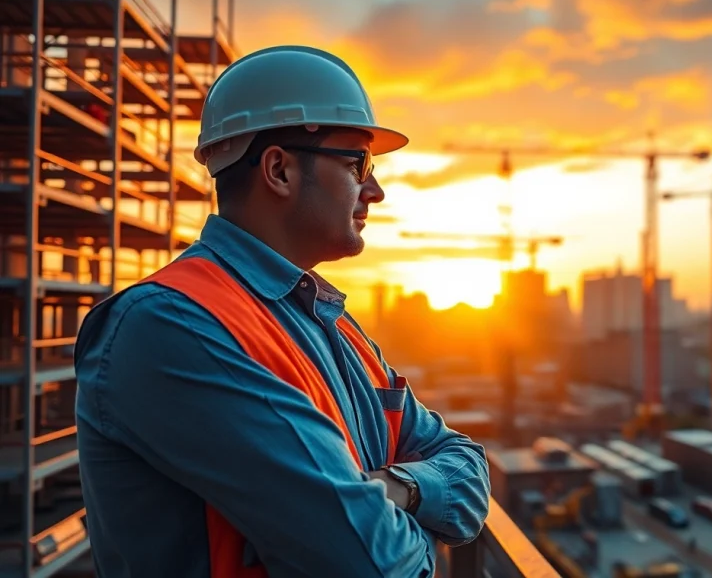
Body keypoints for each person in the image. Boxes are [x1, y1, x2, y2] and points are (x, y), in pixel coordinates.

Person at [74, 45, 491, 578]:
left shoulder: (331, 322)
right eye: (358, 162)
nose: (376, 190)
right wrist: (420, 522)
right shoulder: (167, 328)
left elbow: (465, 464)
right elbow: (372, 564)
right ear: (279, 170)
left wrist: (396, 489)